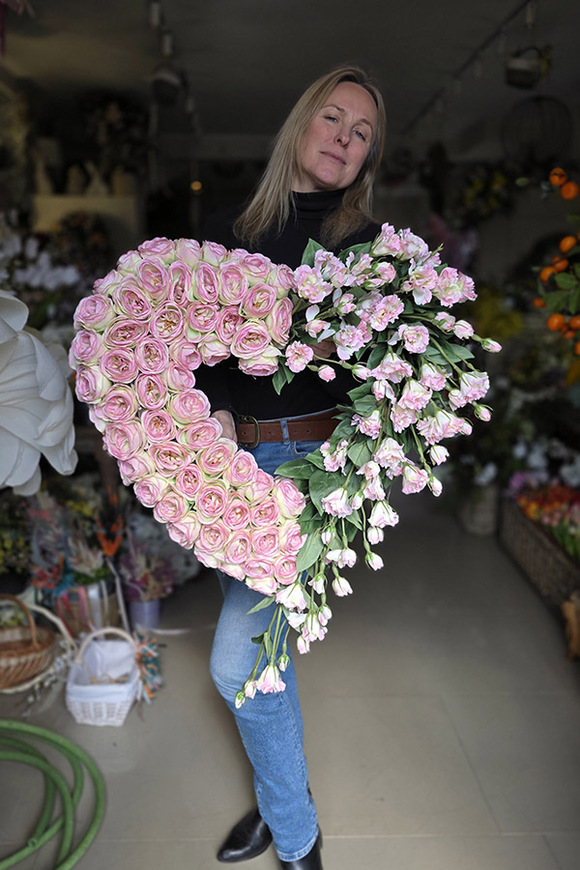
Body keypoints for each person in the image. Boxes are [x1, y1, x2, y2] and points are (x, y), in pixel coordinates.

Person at [198, 64, 386, 870]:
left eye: (362, 132)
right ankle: (283, 800)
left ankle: (299, 842)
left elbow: (381, 380)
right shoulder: (227, 231)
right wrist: (211, 415)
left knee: (237, 660)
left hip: (311, 465)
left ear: (368, 157)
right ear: (303, 122)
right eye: (334, 118)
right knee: (265, 658)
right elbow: (199, 351)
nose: (344, 138)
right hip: (224, 464)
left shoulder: (371, 251)